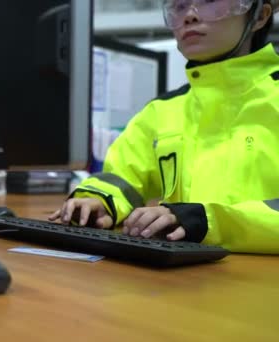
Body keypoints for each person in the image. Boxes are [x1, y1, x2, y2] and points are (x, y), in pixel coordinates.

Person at [49, 0, 279, 253]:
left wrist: (210, 222)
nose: (189, 16)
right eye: (179, 6)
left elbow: (204, 222)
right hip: (185, 273)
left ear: (260, 16)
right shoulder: (162, 110)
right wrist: (97, 200)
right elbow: (122, 176)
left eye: (211, 1)